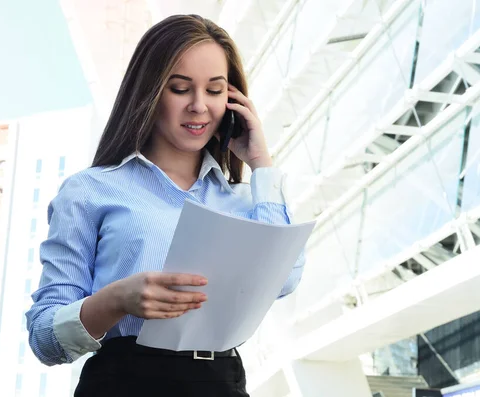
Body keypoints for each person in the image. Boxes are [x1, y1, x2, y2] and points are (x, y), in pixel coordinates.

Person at [26, 14, 305, 397]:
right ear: (150, 92)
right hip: (122, 381)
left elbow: (284, 280)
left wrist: (262, 165)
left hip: (220, 381)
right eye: (179, 88)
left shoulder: (247, 199)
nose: (199, 106)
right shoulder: (90, 191)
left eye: (215, 90)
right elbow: (45, 339)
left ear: (233, 100)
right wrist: (117, 299)